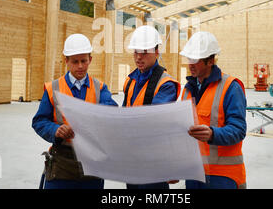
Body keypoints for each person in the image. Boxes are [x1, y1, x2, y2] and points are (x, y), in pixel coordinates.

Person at [32, 33, 118, 189]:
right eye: (75, 61)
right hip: (62, 163)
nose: (80, 66)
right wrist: (55, 130)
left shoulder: (100, 88)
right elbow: (39, 121)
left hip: (92, 164)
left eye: (84, 61)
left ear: (90, 59)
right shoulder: (53, 88)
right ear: (66, 61)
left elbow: (110, 112)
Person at [179, 31, 247, 189]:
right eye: (189, 58)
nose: (190, 64)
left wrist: (212, 134)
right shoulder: (188, 90)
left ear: (210, 61)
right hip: (194, 173)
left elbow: (239, 129)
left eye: (195, 59)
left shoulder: (231, 87)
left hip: (223, 176)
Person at [122, 25, 181, 189]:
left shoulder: (166, 84)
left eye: (144, 53)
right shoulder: (130, 81)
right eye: (136, 52)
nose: (139, 57)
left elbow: (155, 122)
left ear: (156, 51)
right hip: (132, 159)